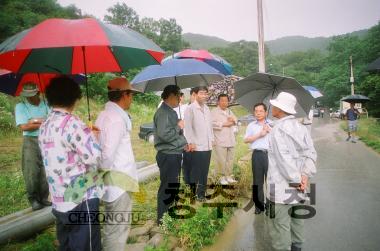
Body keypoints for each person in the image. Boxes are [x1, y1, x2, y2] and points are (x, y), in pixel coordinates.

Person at [39, 76, 103, 251]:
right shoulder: (74, 124)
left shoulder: (45, 125)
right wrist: (93, 138)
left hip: (59, 199)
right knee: (87, 246)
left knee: (66, 244)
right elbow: (94, 157)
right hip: (81, 200)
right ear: (74, 97)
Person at [265, 92, 317, 251]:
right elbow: (311, 153)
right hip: (299, 187)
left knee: (279, 227)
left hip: (280, 189)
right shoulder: (301, 128)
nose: (271, 107)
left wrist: (295, 181)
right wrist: (304, 177)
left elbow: (283, 161)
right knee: (297, 223)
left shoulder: (277, 130)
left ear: (280, 109)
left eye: (274, 105)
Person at [95, 77, 140, 250]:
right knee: (117, 228)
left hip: (113, 181)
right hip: (118, 183)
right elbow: (107, 156)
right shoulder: (115, 119)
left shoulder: (105, 114)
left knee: (112, 225)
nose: (132, 99)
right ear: (124, 95)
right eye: (131, 95)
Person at [153, 85, 188, 224]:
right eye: (179, 96)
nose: (180, 99)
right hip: (168, 155)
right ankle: (162, 218)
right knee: (167, 186)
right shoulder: (163, 113)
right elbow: (165, 135)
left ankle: (169, 214)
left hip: (173, 153)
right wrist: (178, 126)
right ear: (171, 96)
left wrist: (184, 144)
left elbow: (175, 136)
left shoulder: (170, 112)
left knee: (172, 185)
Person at [15, 82, 50, 210]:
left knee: (45, 169)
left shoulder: (47, 103)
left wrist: (34, 120)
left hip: (46, 139)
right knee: (31, 171)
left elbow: (52, 120)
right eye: (26, 95)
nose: (29, 97)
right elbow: (24, 127)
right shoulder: (20, 106)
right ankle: (33, 198)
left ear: (38, 93)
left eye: (31, 95)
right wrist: (43, 120)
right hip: (30, 140)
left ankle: (44, 197)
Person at [184, 86, 214, 201]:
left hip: (207, 145)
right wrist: (190, 142)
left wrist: (211, 139)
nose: (204, 95)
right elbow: (188, 127)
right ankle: (192, 193)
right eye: (201, 93)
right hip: (196, 146)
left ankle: (201, 194)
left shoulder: (206, 108)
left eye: (205, 93)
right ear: (195, 95)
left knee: (204, 171)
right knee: (195, 171)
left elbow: (209, 126)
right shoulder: (190, 108)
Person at [244, 103, 271, 214]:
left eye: (261, 111)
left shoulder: (272, 124)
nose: (258, 113)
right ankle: (258, 206)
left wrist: (270, 130)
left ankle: (270, 205)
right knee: (257, 181)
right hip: (257, 155)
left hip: (270, 155)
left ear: (266, 112)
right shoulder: (251, 125)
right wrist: (260, 134)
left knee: (270, 180)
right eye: (256, 111)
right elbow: (246, 140)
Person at [211, 94, 237, 185]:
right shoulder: (214, 112)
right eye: (222, 100)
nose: (224, 102)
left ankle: (228, 176)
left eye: (226, 101)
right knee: (221, 160)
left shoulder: (229, 111)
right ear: (218, 101)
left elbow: (235, 120)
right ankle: (221, 177)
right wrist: (225, 123)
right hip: (220, 140)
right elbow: (211, 124)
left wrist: (233, 120)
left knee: (230, 159)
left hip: (231, 139)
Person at [182, 87, 197, 184]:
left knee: (196, 164)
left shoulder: (201, 109)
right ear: (191, 95)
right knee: (187, 162)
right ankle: (187, 182)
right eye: (194, 95)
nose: (195, 98)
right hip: (186, 141)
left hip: (198, 142)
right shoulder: (184, 108)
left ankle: (194, 182)